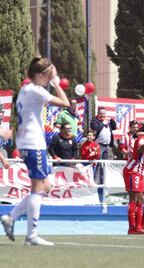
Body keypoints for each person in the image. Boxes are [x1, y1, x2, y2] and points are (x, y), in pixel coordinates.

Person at [1, 56, 69, 246]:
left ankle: (11, 217)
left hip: (27, 141)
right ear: (40, 75)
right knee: (38, 188)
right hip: (33, 143)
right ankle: (31, 235)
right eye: (47, 76)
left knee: (45, 187)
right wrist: (56, 82)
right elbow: (65, 103)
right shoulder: (36, 90)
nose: (49, 78)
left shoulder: (25, 90)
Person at [90, 107, 117, 204]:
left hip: (107, 146)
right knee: (99, 165)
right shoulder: (95, 121)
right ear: (98, 113)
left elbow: (114, 127)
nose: (103, 115)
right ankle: (97, 183)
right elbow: (95, 128)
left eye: (104, 113)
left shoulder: (107, 121)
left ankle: (106, 182)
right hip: (99, 145)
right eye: (101, 113)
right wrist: (103, 123)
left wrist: (111, 120)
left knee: (106, 165)